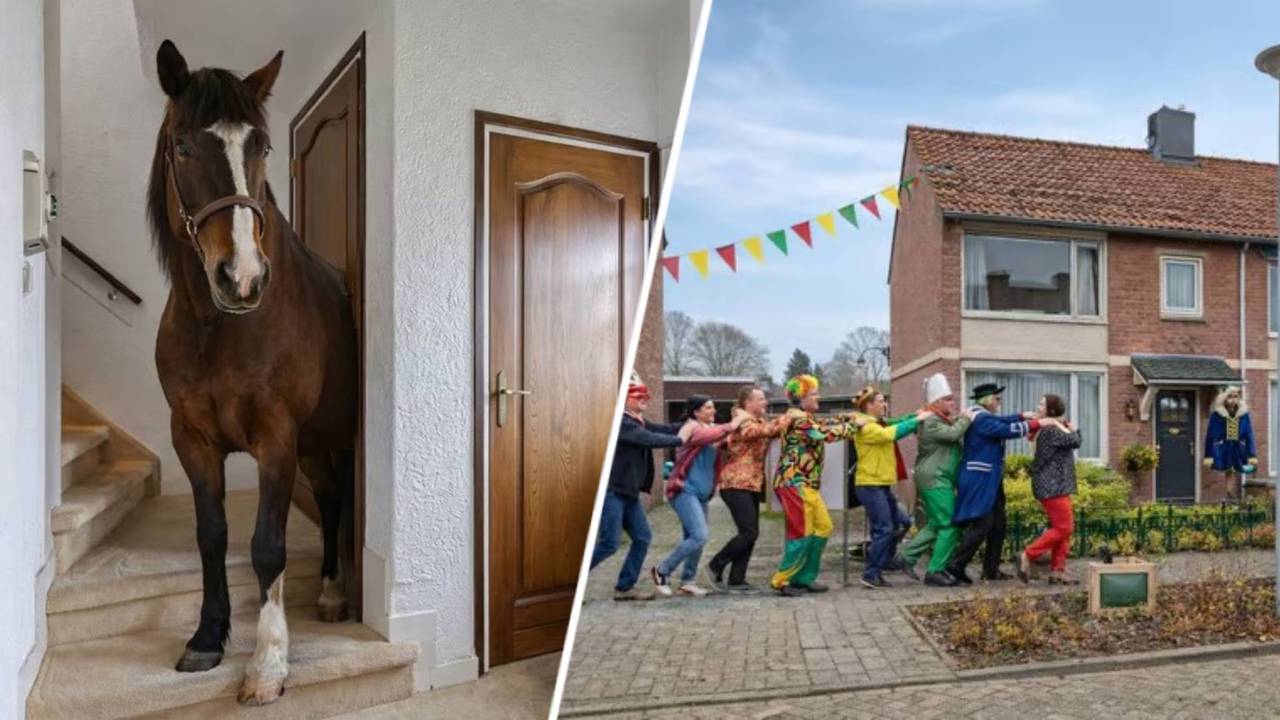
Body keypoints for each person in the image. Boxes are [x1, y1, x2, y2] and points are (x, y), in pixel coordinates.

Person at [770, 375, 866, 597]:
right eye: (814, 393)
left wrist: (846, 417)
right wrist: (853, 425)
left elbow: (824, 423)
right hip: (794, 483)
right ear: (802, 398)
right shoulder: (798, 419)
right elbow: (823, 433)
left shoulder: (806, 417)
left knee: (823, 528)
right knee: (801, 533)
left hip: (806, 485)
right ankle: (782, 580)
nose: (818, 397)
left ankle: (804, 577)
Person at [591, 376, 684, 601]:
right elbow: (650, 438)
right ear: (624, 399)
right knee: (609, 543)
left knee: (642, 537)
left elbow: (665, 428)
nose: (644, 399)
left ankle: (624, 588)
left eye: (646, 396)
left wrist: (692, 424)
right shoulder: (622, 422)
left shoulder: (638, 420)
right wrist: (683, 440)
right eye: (638, 396)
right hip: (613, 491)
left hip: (629, 492)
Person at [944, 383, 1041, 585]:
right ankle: (955, 565)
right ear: (987, 400)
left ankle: (991, 569)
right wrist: (1038, 423)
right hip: (980, 478)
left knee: (998, 523)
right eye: (997, 399)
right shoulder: (981, 418)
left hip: (990, 479)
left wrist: (1023, 415)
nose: (999, 402)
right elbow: (1006, 430)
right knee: (983, 523)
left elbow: (1003, 421)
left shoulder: (982, 415)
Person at [650, 395, 744, 597]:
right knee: (700, 535)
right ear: (696, 411)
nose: (713, 411)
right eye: (708, 408)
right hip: (684, 491)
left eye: (713, 407)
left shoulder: (712, 429)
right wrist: (734, 422)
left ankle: (688, 581)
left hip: (702, 494)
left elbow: (723, 439)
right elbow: (705, 438)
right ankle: (662, 571)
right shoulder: (691, 427)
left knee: (694, 538)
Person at [705, 386, 790, 593]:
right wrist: (789, 417)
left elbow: (769, 431)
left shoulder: (757, 421)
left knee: (751, 532)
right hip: (735, 483)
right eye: (760, 399)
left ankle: (737, 579)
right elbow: (759, 432)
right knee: (748, 532)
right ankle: (715, 565)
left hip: (750, 483)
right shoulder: (742, 421)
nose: (765, 403)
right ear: (747, 403)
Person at [850, 386, 932, 589]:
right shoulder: (866, 427)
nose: (884, 404)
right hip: (870, 486)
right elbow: (890, 434)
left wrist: (912, 416)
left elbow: (895, 423)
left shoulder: (877, 422)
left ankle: (884, 559)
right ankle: (871, 574)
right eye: (880, 401)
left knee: (903, 522)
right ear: (869, 405)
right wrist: (917, 420)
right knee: (884, 528)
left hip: (881, 485)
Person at [896, 373, 972, 587]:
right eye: (948, 399)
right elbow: (952, 435)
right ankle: (935, 571)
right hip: (935, 478)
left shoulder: (937, 419)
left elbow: (952, 428)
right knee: (950, 524)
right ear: (937, 402)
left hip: (937, 478)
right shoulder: (931, 421)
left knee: (935, 523)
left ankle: (906, 557)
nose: (953, 402)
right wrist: (966, 418)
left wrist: (960, 419)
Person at [1017, 394, 1080, 584]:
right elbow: (1075, 441)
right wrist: (1076, 430)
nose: (1038, 406)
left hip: (1055, 485)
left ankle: (1058, 571)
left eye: (1042, 404)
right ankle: (1028, 555)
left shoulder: (1049, 428)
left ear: (1051, 410)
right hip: (1052, 486)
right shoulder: (1051, 430)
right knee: (1064, 527)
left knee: (1063, 528)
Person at [1204, 386, 1258, 499]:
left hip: (1239, 449)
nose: (1233, 400)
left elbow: (1249, 434)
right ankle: (1230, 496)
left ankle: (1233, 498)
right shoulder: (1217, 415)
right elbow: (1210, 435)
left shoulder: (1244, 415)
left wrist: (1252, 454)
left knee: (1241, 470)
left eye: (1235, 397)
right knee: (1228, 471)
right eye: (1230, 396)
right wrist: (1208, 455)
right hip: (1223, 449)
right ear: (1224, 398)